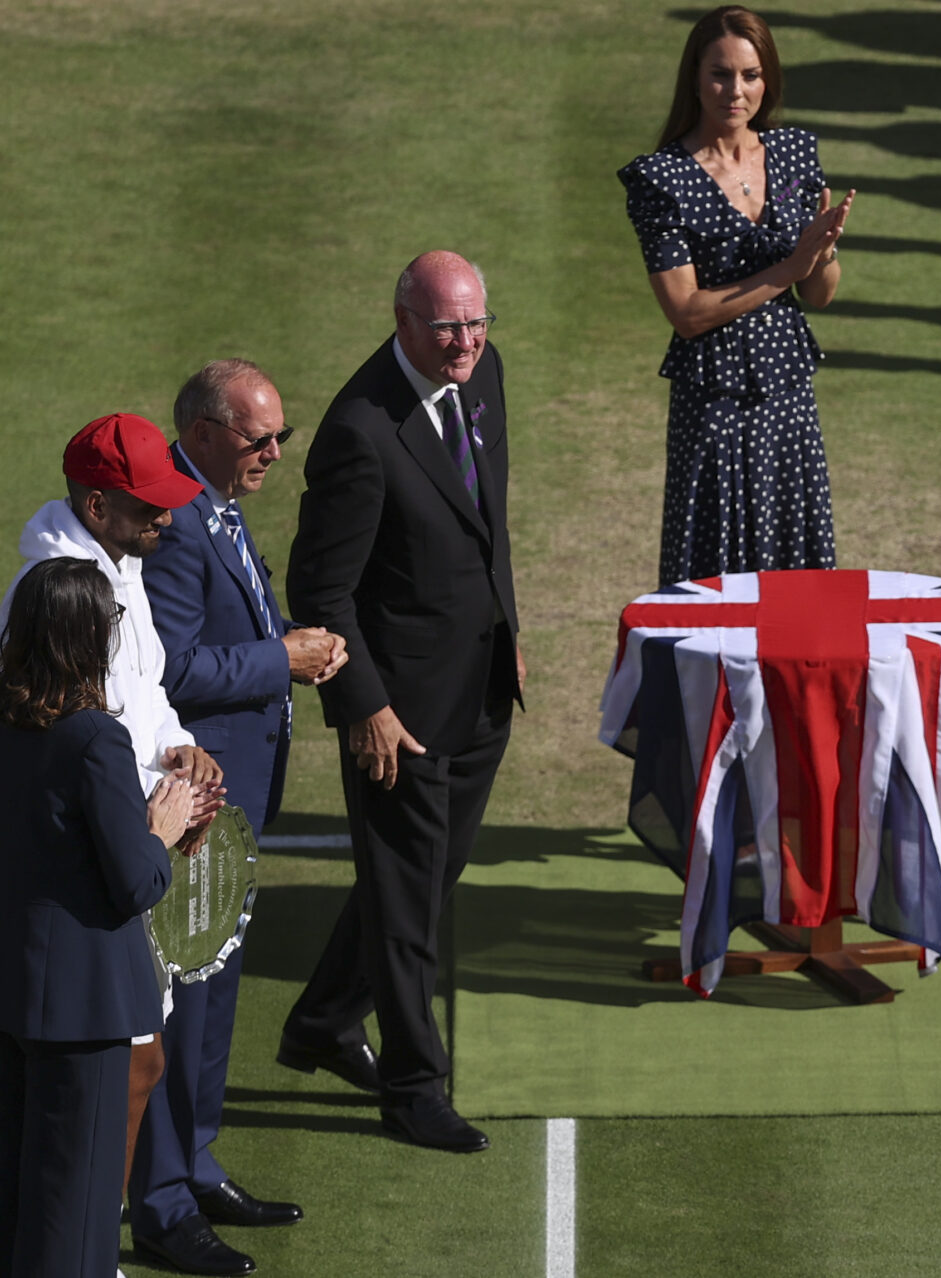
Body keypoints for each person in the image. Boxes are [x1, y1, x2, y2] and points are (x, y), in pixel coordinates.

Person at [279, 250, 523, 1154]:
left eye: (477, 323)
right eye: (448, 328)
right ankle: (414, 1087)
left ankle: (321, 1024)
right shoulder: (359, 431)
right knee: (412, 904)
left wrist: (509, 627)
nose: (466, 344)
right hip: (402, 718)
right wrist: (364, 707)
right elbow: (323, 589)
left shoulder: (485, 370)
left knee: (415, 885)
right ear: (403, 322)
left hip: (483, 688)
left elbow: (485, 518)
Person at [0, 410, 226, 1261]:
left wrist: (179, 749)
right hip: (101, 878)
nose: (165, 520)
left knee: (141, 1064)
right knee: (110, 1082)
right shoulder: (56, 595)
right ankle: (86, 1248)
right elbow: (68, 734)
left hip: (122, 843)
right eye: (146, 506)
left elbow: (145, 695)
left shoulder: (118, 568)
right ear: (96, 505)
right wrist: (155, 823)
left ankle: (90, 1240)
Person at [134, 362, 347, 1274]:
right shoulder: (178, 522)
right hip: (203, 800)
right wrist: (280, 659)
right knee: (184, 993)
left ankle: (199, 1161)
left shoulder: (215, 498)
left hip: (239, 799)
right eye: (258, 438)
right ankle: (163, 1201)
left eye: (280, 438)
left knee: (215, 984)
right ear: (203, 428)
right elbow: (175, 670)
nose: (273, 454)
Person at [0, 556, 191, 1278]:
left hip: (5, 974)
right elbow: (136, 883)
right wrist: (164, 827)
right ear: (86, 636)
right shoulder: (94, 739)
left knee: (5, 1188)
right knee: (74, 1206)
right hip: (82, 1000)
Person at [618, 4, 856, 586]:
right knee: (717, 568)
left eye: (750, 75)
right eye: (720, 74)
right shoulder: (661, 180)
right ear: (695, 78)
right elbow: (688, 313)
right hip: (714, 402)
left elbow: (819, 295)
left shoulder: (795, 153)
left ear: (767, 79)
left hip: (788, 395)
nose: (736, 90)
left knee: (794, 560)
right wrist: (789, 267)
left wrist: (820, 254)